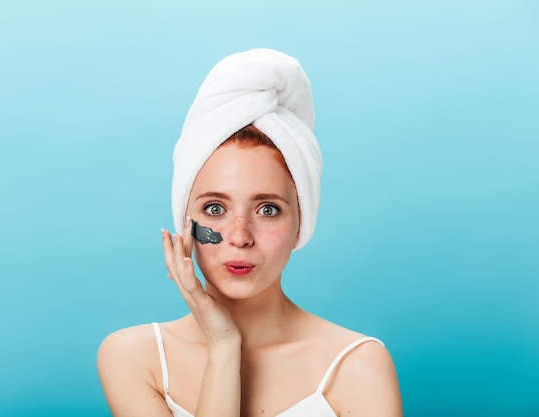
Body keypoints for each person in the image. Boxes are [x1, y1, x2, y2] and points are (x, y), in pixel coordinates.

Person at [97, 48, 403, 417]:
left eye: (267, 209)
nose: (239, 237)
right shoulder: (134, 357)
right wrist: (224, 347)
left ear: (299, 224)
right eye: (215, 209)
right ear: (185, 224)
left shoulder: (357, 366)